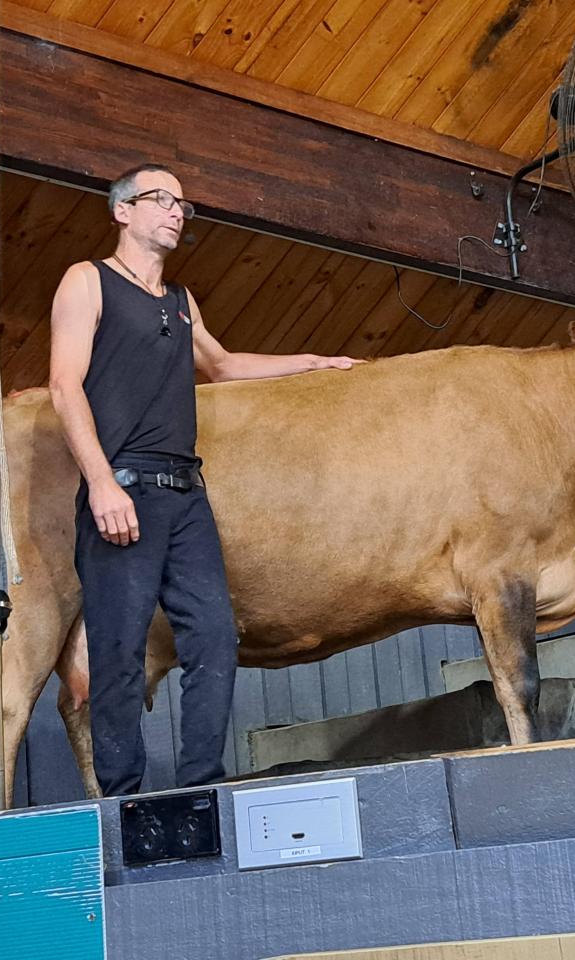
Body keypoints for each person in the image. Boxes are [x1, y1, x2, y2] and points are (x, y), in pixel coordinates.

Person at [48, 163, 362, 796]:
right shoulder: (88, 281)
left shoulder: (180, 300)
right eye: (161, 199)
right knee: (119, 650)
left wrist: (312, 362)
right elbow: (63, 385)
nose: (176, 211)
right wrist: (102, 483)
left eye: (182, 204)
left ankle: (201, 789)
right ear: (123, 211)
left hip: (186, 495)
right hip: (124, 490)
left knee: (215, 639)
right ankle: (122, 800)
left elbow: (221, 365)